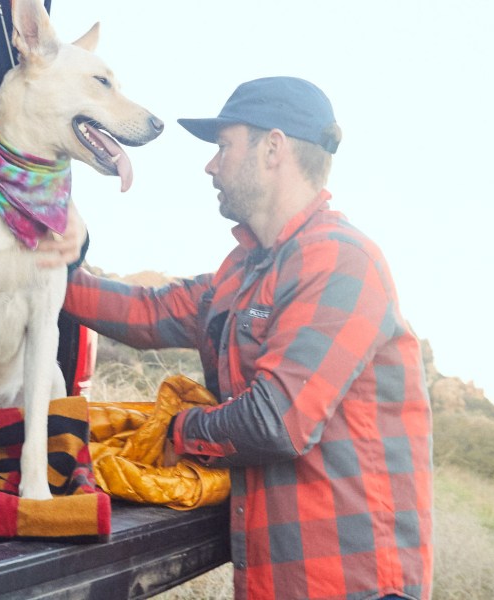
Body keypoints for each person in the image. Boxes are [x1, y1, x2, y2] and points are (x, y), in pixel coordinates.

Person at [61, 77, 433, 599]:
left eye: (223, 147)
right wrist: (38, 273)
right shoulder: (245, 267)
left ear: (273, 148)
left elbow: (276, 422)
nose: (211, 166)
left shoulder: (341, 258)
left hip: (350, 584)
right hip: (275, 581)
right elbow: (148, 311)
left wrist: (175, 430)